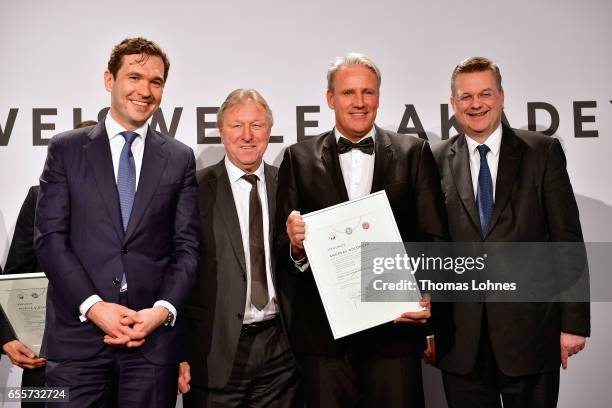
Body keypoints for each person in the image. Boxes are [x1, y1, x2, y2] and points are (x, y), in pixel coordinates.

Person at [33, 38, 200, 407]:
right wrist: (94, 307)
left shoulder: (179, 157)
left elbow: (187, 249)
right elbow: (50, 239)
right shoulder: (66, 149)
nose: (145, 90)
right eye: (134, 77)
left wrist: (161, 312)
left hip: (151, 346)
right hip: (78, 344)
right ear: (109, 79)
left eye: (155, 82)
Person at [275, 53, 447, 408]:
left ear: (379, 98)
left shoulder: (413, 152)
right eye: (349, 92)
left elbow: (433, 237)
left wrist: (427, 295)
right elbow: (283, 248)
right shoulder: (298, 157)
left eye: (368, 92)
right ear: (330, 98)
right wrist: (295, 246)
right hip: (324, 339)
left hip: (395, 333)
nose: (359, 102)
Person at [431, 56, 590, 408]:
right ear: (453, 103)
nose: (476, 105)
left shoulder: (542, 152)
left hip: (532, 335)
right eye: (466, 96)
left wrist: (574, 322)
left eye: (485, 94)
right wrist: (427, 326)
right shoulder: (434, 158)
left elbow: (567, 240)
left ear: (501, 97)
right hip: (460, 341)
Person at [181, 88, 300, 407]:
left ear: (269, 131)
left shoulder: (289, 184)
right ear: (221, 131)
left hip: (281, 354)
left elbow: (300, 262)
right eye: (236, 126)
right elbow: (177, 272)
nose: (247, 135)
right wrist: (176, 352)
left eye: (257, 125)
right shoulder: (193, 191)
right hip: (213, 353)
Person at [1, 120, 97, 408]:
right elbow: (17, 275)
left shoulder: (134, 204)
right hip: (45, 358)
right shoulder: (38, 198)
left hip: (111, 356)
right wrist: (11, 337)